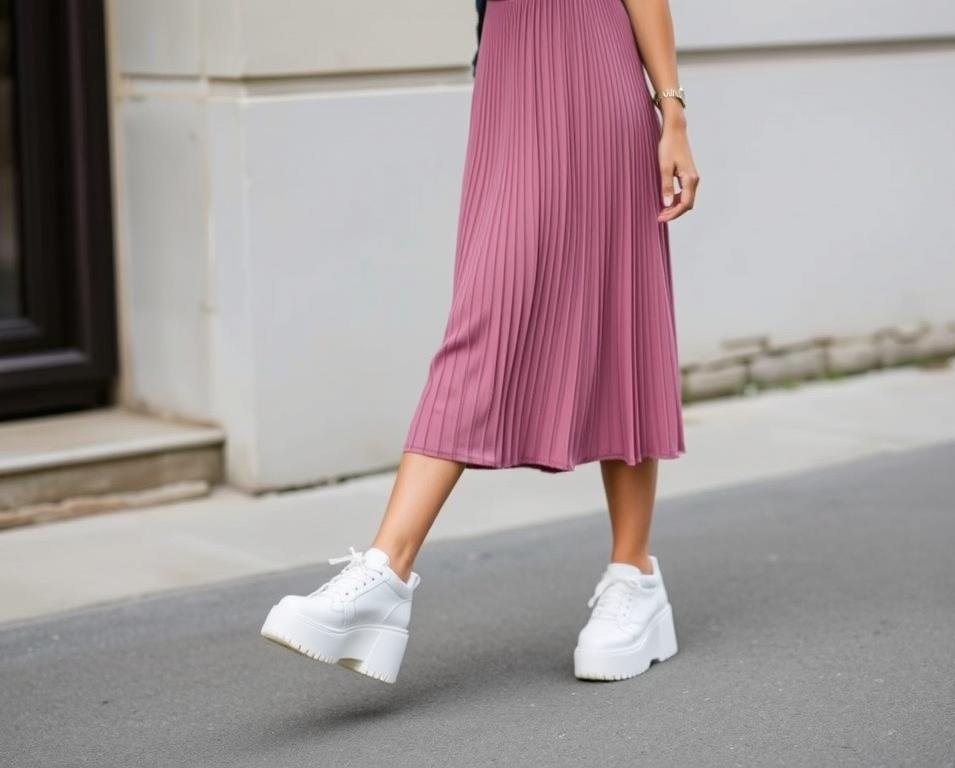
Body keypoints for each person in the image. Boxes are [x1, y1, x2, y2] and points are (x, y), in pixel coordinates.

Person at [261, 0, 700, 684]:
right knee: (486, 314)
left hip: (594, 58)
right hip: (509, 75)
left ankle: (633, 576)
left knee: (623, 312)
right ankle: (386, 572)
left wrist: (670, 107)